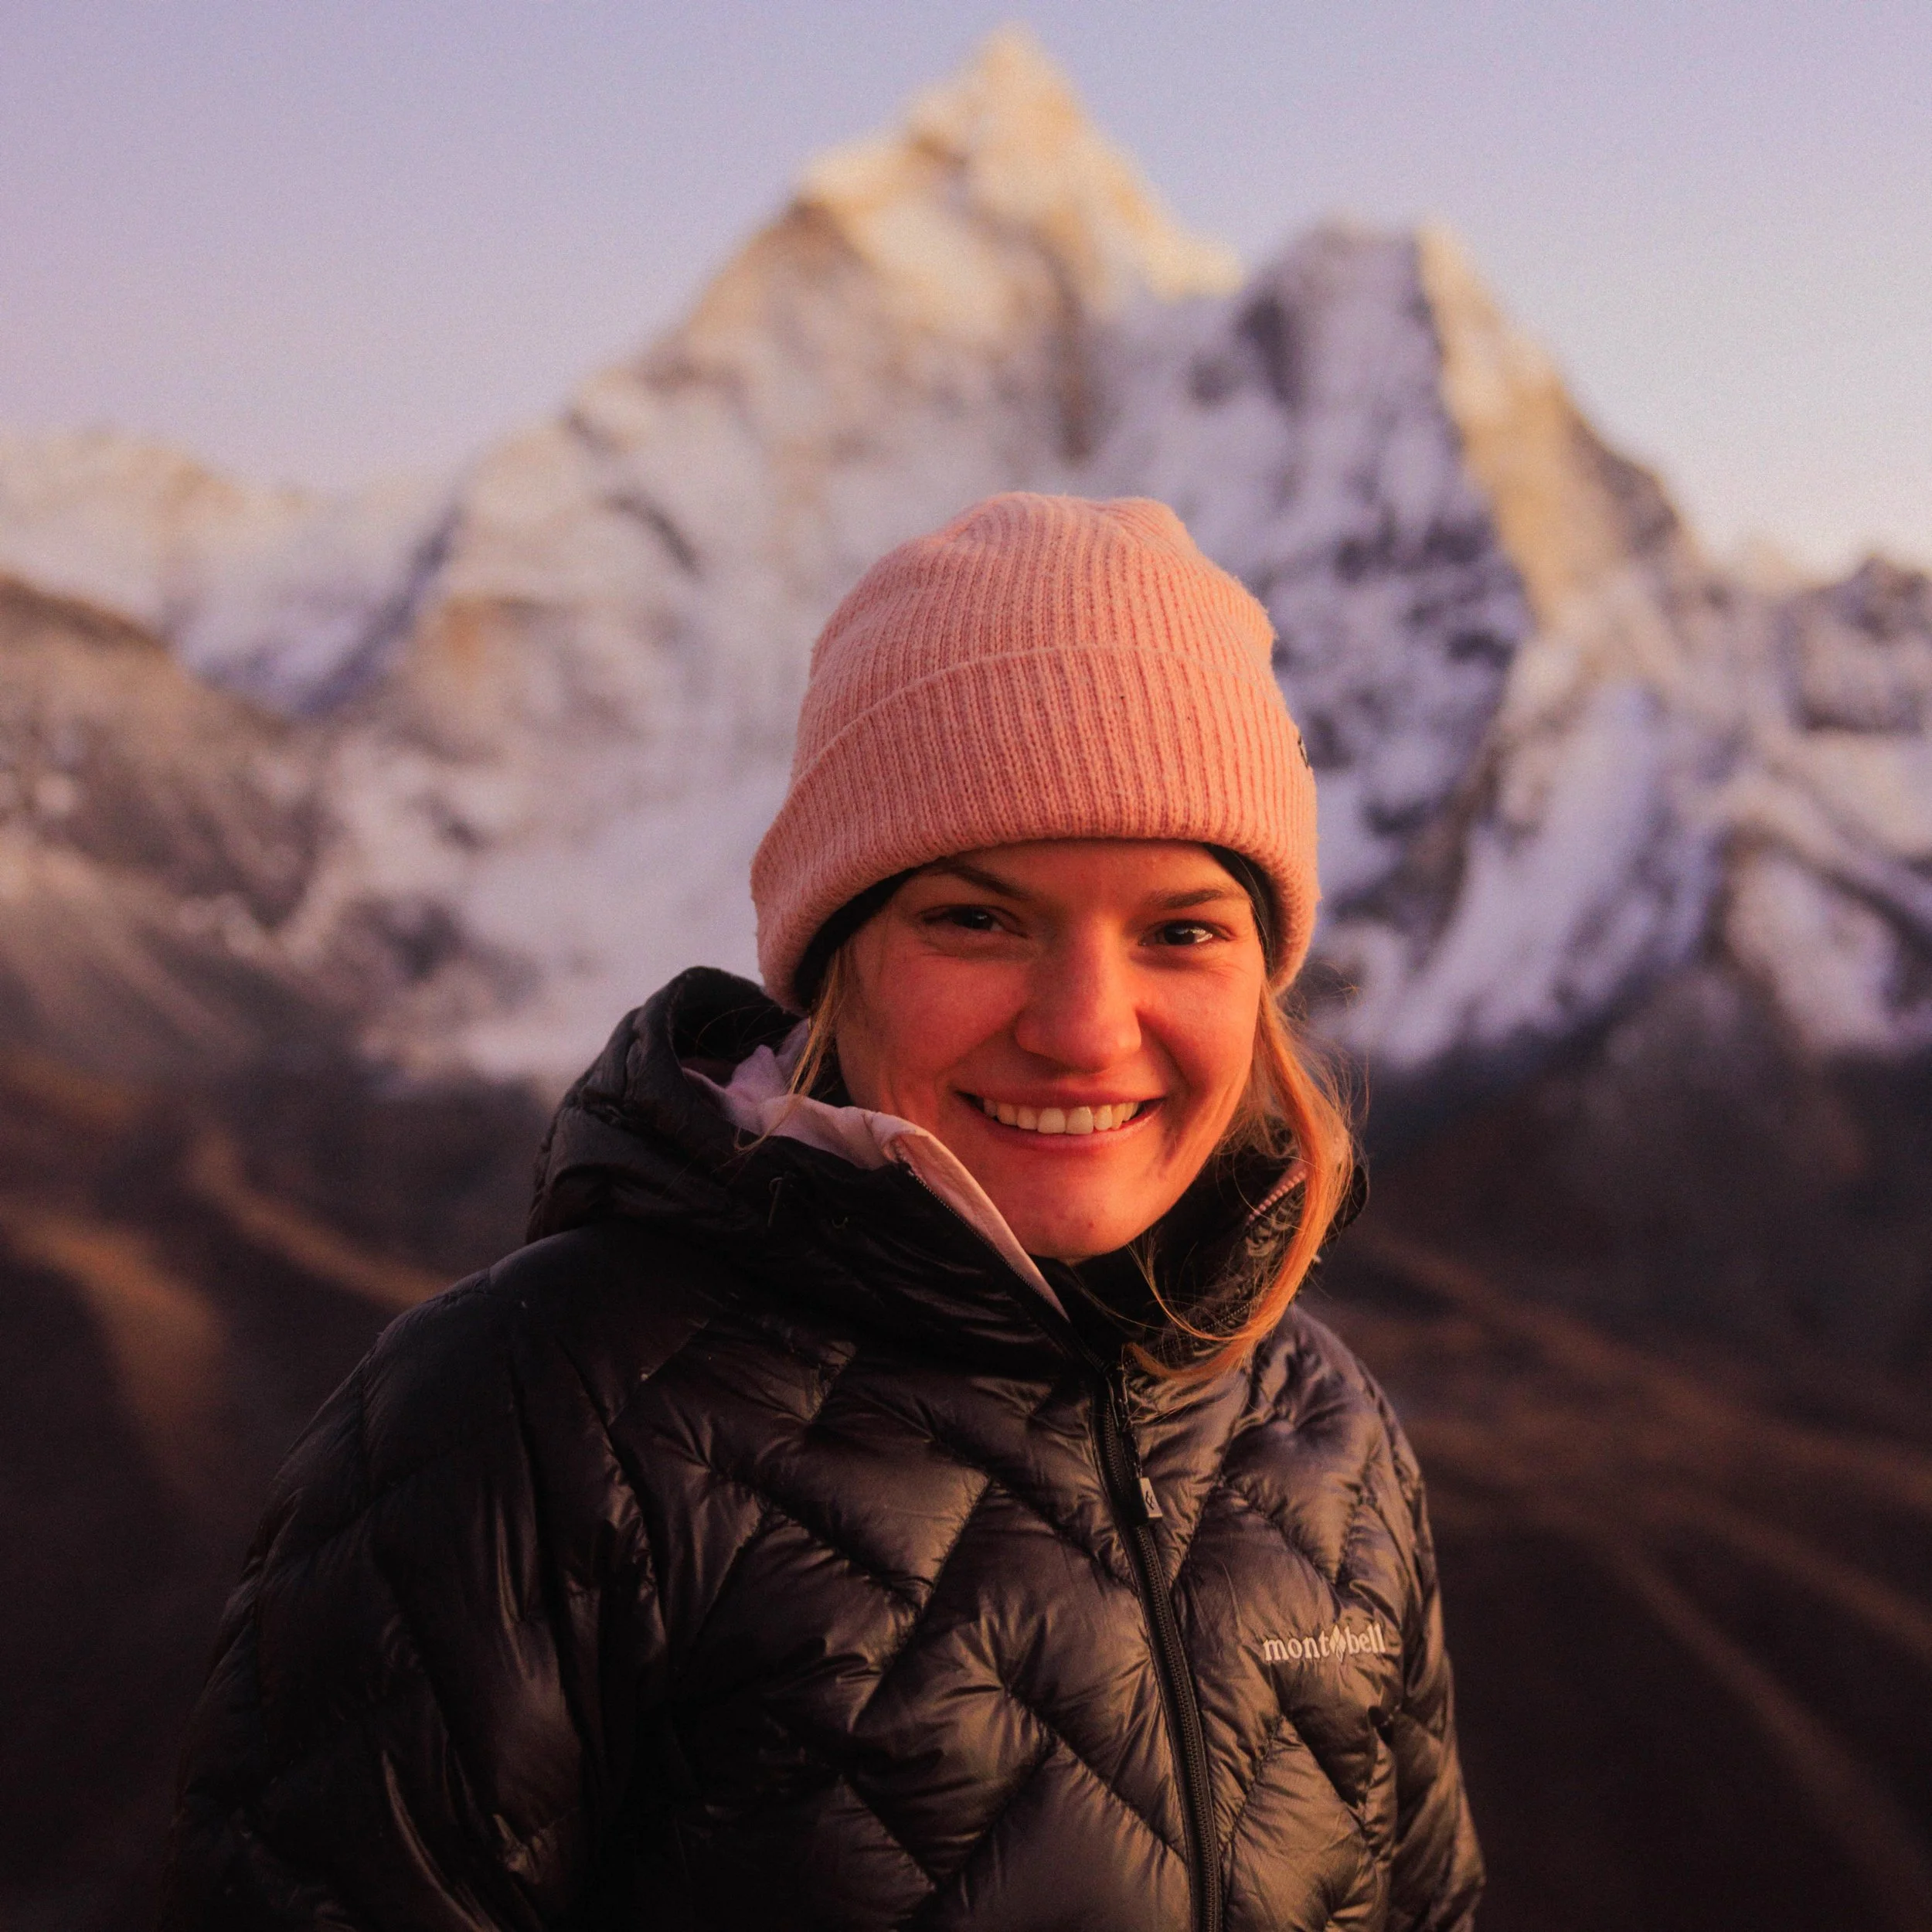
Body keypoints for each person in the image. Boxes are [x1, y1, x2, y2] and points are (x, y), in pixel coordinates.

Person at [160, 494, 1481, 1931]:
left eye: (1183, 930)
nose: (1085, 1030)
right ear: (836, 958)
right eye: (976, 919)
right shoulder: (528, 1418)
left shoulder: (1327, 1439)